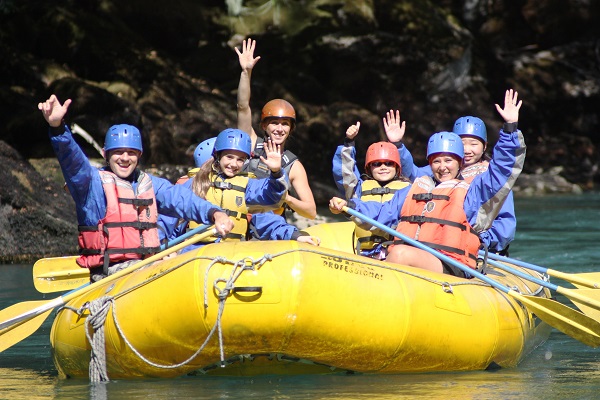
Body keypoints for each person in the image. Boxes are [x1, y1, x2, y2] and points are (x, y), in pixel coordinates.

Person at [329, 89, 524, 277]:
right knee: (395, 253)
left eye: (448, 161)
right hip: (420, 258)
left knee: (399, 254)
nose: (442, 167)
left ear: (459, 163)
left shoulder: (473, 192)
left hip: (452, 262)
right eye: (436, 161)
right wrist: (349, 206)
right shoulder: (415, 188)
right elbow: (382, 212)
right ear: (430, 163)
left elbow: (502, 170)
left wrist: (509, 128)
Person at [38, 94, 234, 282]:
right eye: (119, 152)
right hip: (110, 274)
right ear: (106, 154)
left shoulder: (149, 183)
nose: (125, 158)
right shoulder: (91, 184)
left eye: (131, 153)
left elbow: (182, 199)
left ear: (139, 155)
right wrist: (58, 129)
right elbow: (73, 161)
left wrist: (215, 213)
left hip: (147, 267)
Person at [386, 106, 517, 255]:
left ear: (485, 146)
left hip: (481, 248)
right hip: (441, 245)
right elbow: (413, 174)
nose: (467, 149)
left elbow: (505, 224)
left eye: (474, 144)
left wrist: (480, 241)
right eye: (462, 143)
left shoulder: (492, 180)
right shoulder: (441, 171)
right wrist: (398, 146)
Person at [160, 134, 320, 250]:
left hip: (233, 253)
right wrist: (162, 249)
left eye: (240, 160)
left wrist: (296, 236)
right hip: (194, 255)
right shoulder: (193, 185)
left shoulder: (247, 188)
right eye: (229, 157)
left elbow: (269, 220)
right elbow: (167, 220)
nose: (234, 164)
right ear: (217, 156)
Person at [235, 38, 317, 220]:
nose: (279, 129)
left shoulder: (293, 166)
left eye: (285, 124)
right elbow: (242, 107)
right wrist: (245, 72)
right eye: (274, 123)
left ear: (291, 129)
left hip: (270, 230)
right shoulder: (250, 143)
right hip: (240, 223)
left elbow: (311, 212)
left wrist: (284, 196)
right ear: (264, 125)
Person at [332, 119, 411, 257]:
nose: (383, 167)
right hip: (364, 253)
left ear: (397, 167)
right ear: (369, 168)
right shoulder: (359, 189)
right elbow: (345, 172)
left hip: (395, 254)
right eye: (377, 164)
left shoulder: (408, 190)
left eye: (388, 163)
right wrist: (349, 142)